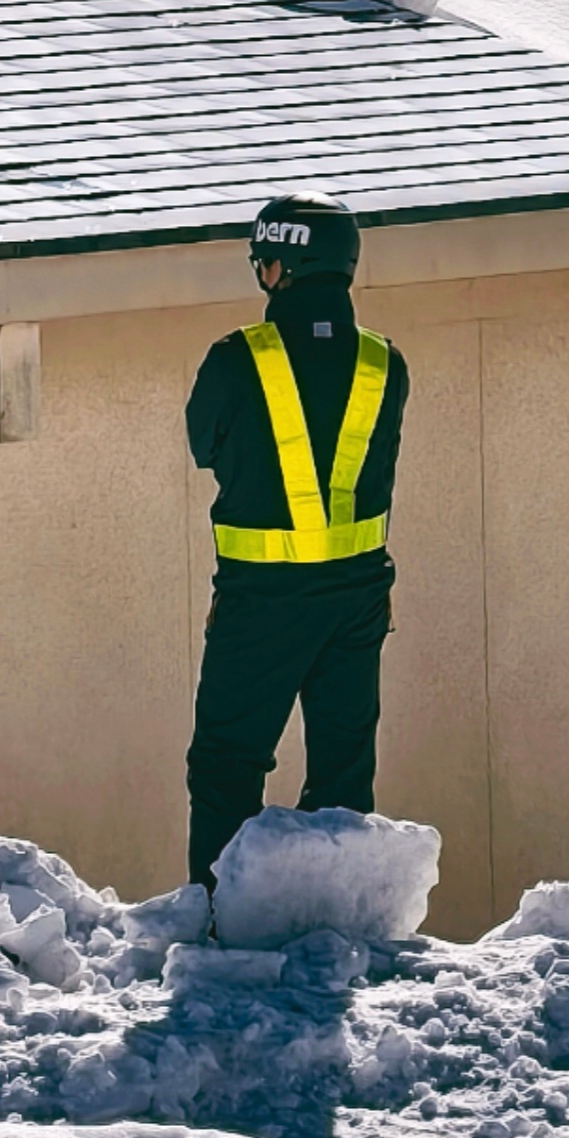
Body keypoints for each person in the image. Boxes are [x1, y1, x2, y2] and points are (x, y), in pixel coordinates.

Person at [182, 186, 411, 895]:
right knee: (344, 769)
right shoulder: (384, 363)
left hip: (262, 599)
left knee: (227, 762)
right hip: (358, 598)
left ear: (280, 267)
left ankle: (221, 917)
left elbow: (203, 445)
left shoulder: (234, 358)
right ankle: (340, 918)